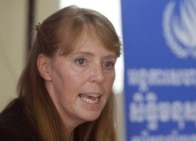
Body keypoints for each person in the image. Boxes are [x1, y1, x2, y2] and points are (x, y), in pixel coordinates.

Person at [0, 5, 121, 141]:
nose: (99, 76)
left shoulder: (86, 133)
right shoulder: (8, 135)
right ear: (45, 67)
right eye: (81, 61)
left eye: (108, 64)